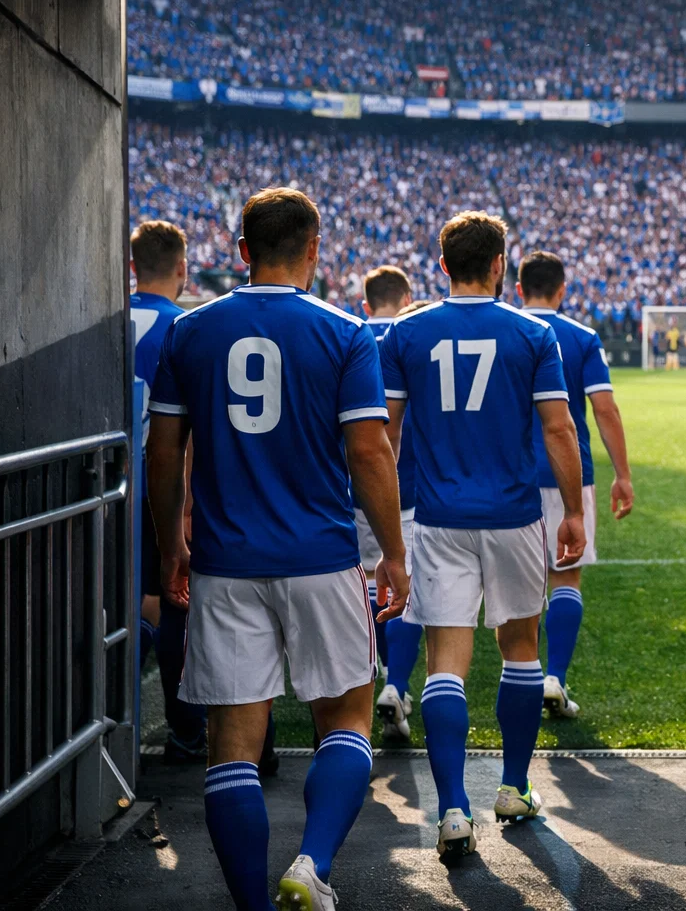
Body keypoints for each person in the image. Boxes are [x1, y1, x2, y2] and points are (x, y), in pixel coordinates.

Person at [146, 187, 408, 911]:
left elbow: (163, 453)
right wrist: (393, 552)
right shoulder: (345, 332)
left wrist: (171, 546)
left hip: (226, 565)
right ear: (314, 248)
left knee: (232, 747)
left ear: (242, 251)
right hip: (321, 559)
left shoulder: (190, 330)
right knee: (347, 720)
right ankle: (311, 864)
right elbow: (369, 452)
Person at [378, 212, 586, 859]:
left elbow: (384, 437)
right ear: (500, 264)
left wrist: (386, 529)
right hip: (516, 516)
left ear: (443, 265)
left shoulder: (405, 332)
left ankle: (452, 812)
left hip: (439, 519)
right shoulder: (533, 333)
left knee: (447, 658)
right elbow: (558, 428)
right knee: (520, 648)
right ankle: (514, 788)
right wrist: (573, 511)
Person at [516, 251, 635, 718]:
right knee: (566, 575)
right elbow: (604, 408)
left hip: (515, 473)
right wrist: (622, 474)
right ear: (562, 290)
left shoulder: (508, 330)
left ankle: (524, 679)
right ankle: (555, 678)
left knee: (523, 584)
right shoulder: (582, 336)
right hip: (569, 473)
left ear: (519, 288)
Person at [130, 219, 210, 764]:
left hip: (98, 484)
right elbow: (190, 433)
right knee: (176, 602)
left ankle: (110, 722)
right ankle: (185, 731)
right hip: (159, 487)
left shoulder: (103, 322)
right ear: (182, 267)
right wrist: (186, 507)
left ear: (133, 266)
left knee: (106, 603)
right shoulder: (184, 328)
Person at [359, 265, 426, 743]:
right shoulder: (417, 337)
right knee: (406, 587)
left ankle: (371, 680)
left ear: (367, 303)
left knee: (367, 584)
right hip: (411, 484)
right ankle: (396, 684)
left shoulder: (349, 333)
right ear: (407, 298)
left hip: (356, 484)